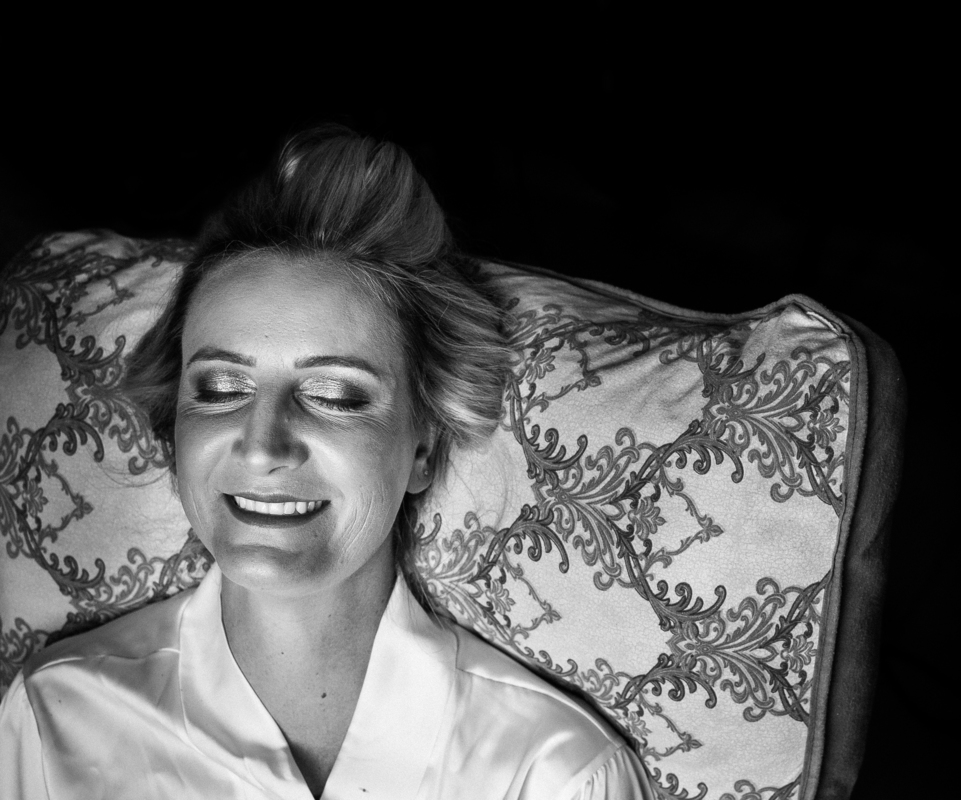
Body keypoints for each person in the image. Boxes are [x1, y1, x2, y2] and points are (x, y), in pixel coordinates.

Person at [0, 125, 654, 799]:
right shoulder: (54, 722)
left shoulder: (555, 774)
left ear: (424, 447)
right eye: (220, 388)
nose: (262, 446)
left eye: (336, 396)